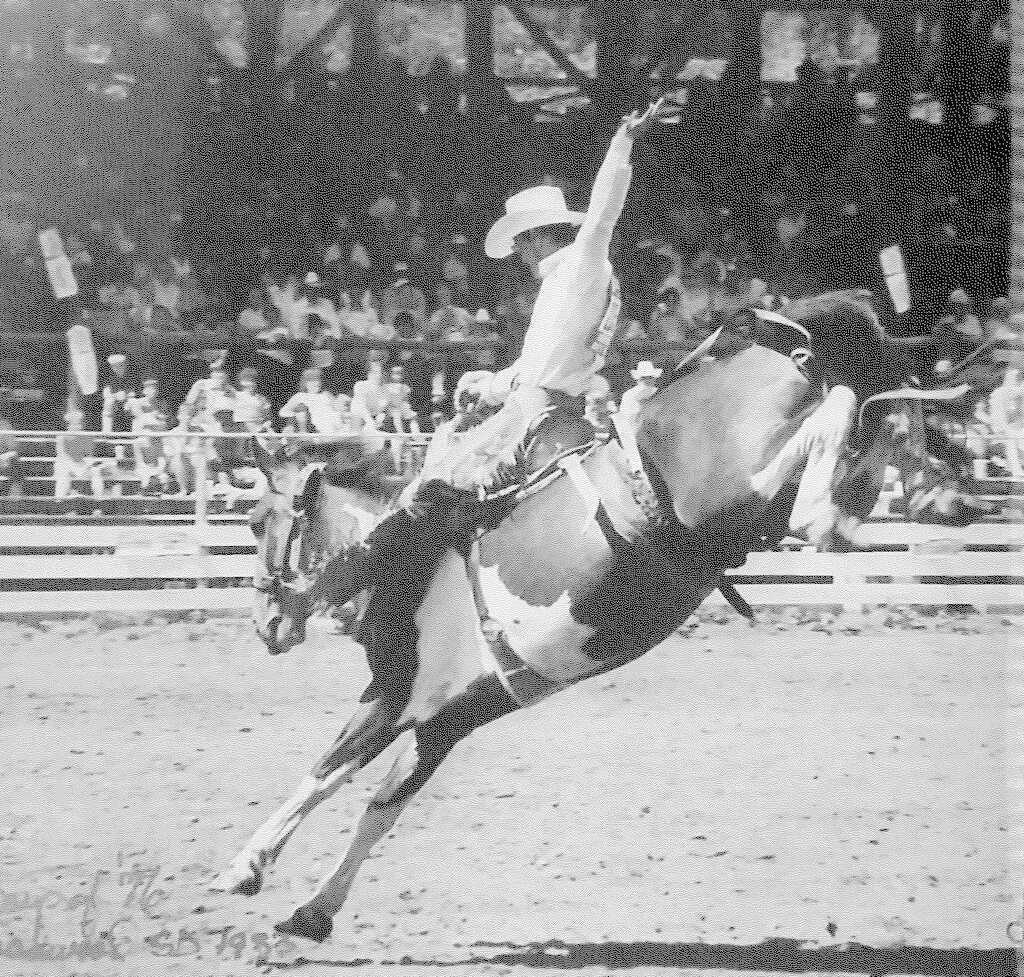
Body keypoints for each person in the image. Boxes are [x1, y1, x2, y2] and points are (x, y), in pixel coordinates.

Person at [326, 98, 674, 611]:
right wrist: (489, 381)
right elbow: (540, 360)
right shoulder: (566, 282)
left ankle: (376, 580)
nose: (521, 256)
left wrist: (622, 143)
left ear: (536, 238)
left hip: (539, 408)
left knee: (438, 481)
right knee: (449, 451)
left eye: (522, 244)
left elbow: (603, 213)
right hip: (549, 397)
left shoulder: (580, 266)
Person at [614, 360, 663, 475]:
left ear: (654, 378)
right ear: (638, 379)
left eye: (649, 377)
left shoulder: (658, 392)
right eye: (644, 378)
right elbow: (625, 421)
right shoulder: (629, 396)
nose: (647, 380)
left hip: (659, 434)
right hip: (638, 438)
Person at [54, 409, 106, 499]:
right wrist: (76, 469)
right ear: (68, 425)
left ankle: (99, 500)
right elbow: (62, 455)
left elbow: (89, 456)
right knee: (63, 473)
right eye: (73, 424)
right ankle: (59, 501)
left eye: (78, 424)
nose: (76, 427)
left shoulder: (87, 437)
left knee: (96, 472)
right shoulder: (61, 437)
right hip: (65, 465)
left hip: (83, 466)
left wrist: (84, 467)